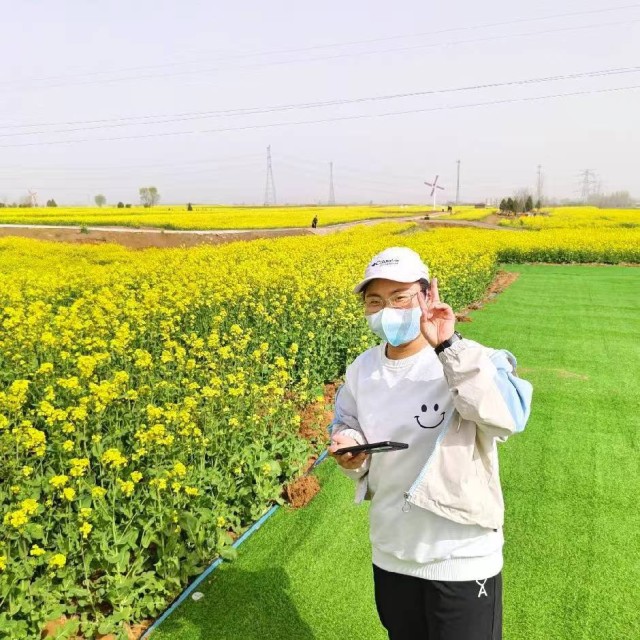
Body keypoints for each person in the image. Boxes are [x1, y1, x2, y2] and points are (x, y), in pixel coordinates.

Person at [328, 246, 533, 640]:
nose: (387, 310)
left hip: (461, 555)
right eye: (375, 301)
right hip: (392, 550)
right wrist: (350, 449)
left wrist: (448, 346)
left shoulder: (470, 357)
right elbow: (347, 423)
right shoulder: (362, 368)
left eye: (400, 298)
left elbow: (509, 416)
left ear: (426, 296)